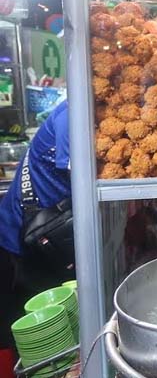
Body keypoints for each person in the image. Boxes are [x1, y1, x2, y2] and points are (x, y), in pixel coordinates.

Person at [0, 100, 72, 349]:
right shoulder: (72, 113)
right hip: (24, 236)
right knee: (32, 324)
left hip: (55, 233)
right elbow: (86, 178)